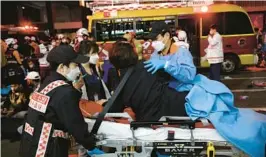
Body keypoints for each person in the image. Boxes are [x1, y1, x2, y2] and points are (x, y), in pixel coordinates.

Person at [19, 45, 96, 157]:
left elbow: (56, 106)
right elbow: (75, 123)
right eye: (75, 65)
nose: (78, 69)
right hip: (47, 148)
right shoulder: (64, 91)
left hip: (30, 144)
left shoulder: (48, 83)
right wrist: (91, 143)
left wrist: (75, 90)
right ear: (62, 67)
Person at [102, 41, 188, 121]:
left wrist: (103, 103)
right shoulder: (149, 65)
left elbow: (114, 108)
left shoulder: (122, 81)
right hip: (178, 108)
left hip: (152, 120)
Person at [143, 21, 196, 92]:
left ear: (167, 35)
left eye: (156, 39)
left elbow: (189, 76)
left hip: (179, 93)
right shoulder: (155, 54)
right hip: (163, 93)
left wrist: (167, 65)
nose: (153, 43)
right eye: (152, 40)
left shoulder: (181, 52)